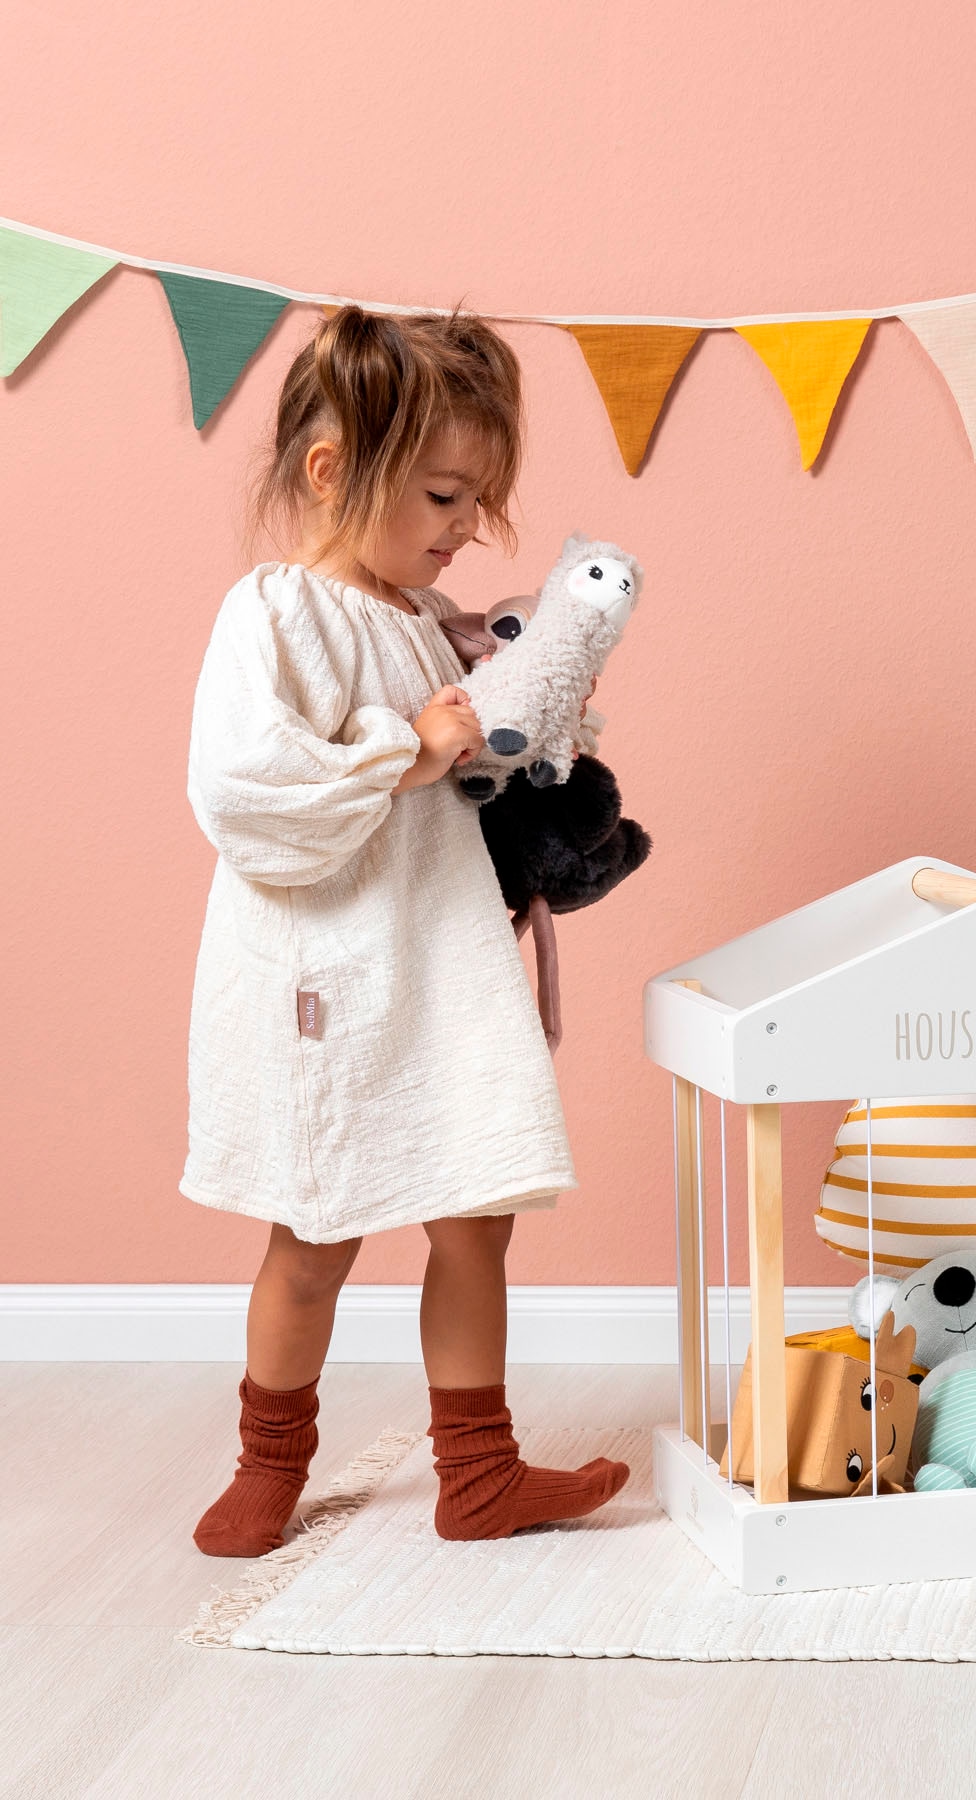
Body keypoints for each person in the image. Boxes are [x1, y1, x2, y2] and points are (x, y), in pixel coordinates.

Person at [184, 306, 627, 1555]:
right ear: (335, 473)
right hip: (330, 974)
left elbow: (479, 759)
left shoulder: (422, 622)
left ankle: (476, 1471)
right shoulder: (276, 616)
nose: (463, 528)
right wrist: (406, 747)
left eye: (478, 502)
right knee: (314, 1229)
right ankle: (270, 1458)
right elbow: (243, 792)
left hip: (437, 953)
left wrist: (539, 720)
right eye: (442, 494)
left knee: (476, 1209)